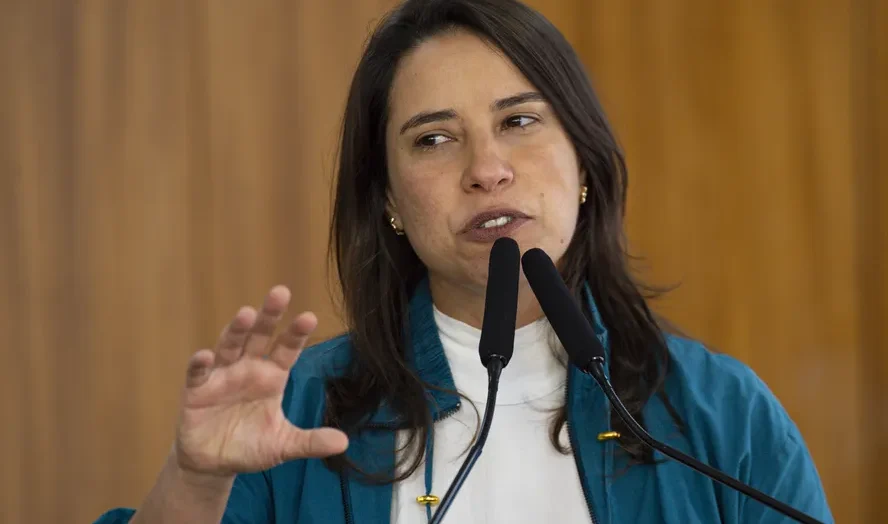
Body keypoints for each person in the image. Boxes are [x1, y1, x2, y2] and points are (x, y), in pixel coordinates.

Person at [94, 0, 834, 522]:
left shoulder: (723, 416)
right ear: (387, 199)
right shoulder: (301, 415)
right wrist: (195, 482)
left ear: (583, 161)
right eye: (434, 139)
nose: (487, 169)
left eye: (518, 121)